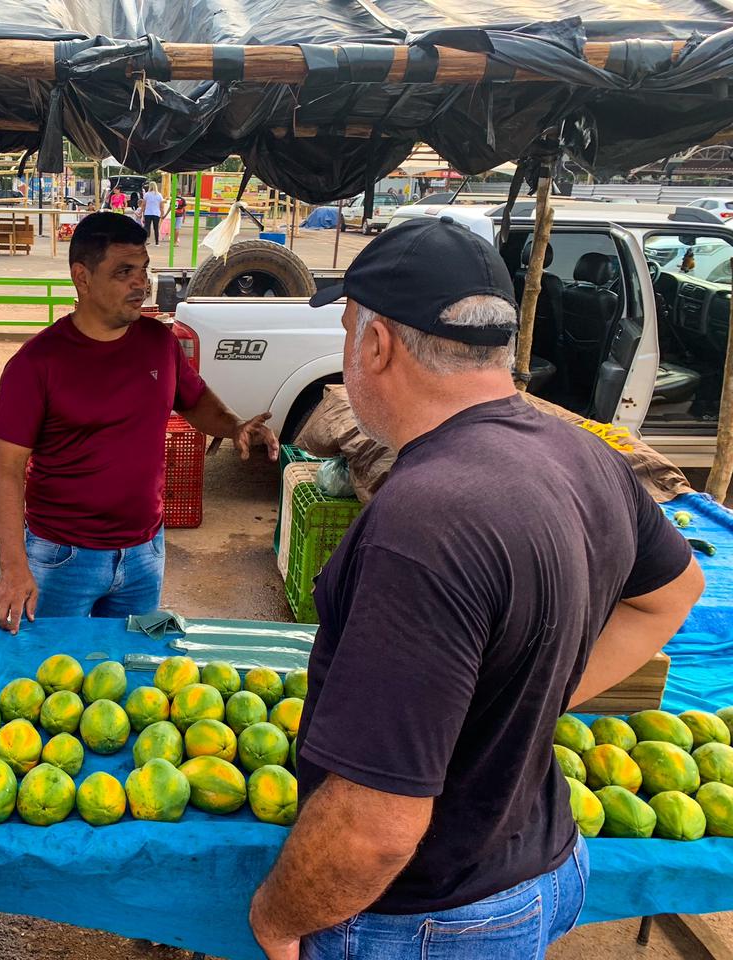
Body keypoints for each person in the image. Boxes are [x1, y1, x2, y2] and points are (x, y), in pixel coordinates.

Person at [248, 219, 704, 960]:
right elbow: (674, 593)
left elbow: (375, 828)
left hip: (435, 915)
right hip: (548, 861)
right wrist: (530, 701)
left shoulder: (421, 522)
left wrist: (278, 917)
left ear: (376, 344)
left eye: (347, 329)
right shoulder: (583, 452)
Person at [0, 213, 278, 631]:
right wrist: (13, 566)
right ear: (82, 278)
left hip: (144, 552)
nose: (141, 284)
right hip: (61, 556)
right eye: (124, 272)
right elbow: (5, 471)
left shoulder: (159, 343)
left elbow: (194, 399)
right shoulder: (35, 364)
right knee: (49, 666)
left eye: (144, 269)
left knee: (129, 666)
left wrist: (234, 426)